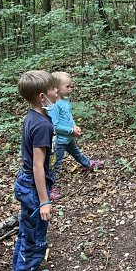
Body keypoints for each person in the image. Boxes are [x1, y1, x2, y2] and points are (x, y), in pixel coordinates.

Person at [11, 70, 58, 271]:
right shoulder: (41, 125)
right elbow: (39, 166)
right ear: (42, 96)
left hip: (28, 182)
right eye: (53, 89)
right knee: (35, 239)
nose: (56, 91)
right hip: (33, 186)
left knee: (26, 233)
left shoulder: (34, 117)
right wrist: (44, 200)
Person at [48, 71, 103, 199]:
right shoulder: (54, 106)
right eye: (67, 86)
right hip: (60, 141)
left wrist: (74, 126)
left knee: (77, 153)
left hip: (69, 137)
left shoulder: (65, 101)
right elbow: (55, 126)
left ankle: (88, 164)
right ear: (56, 88)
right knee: (55, 164)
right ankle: (49, 187)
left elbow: (68, 117)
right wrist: (70, 130)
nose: (70, 89)